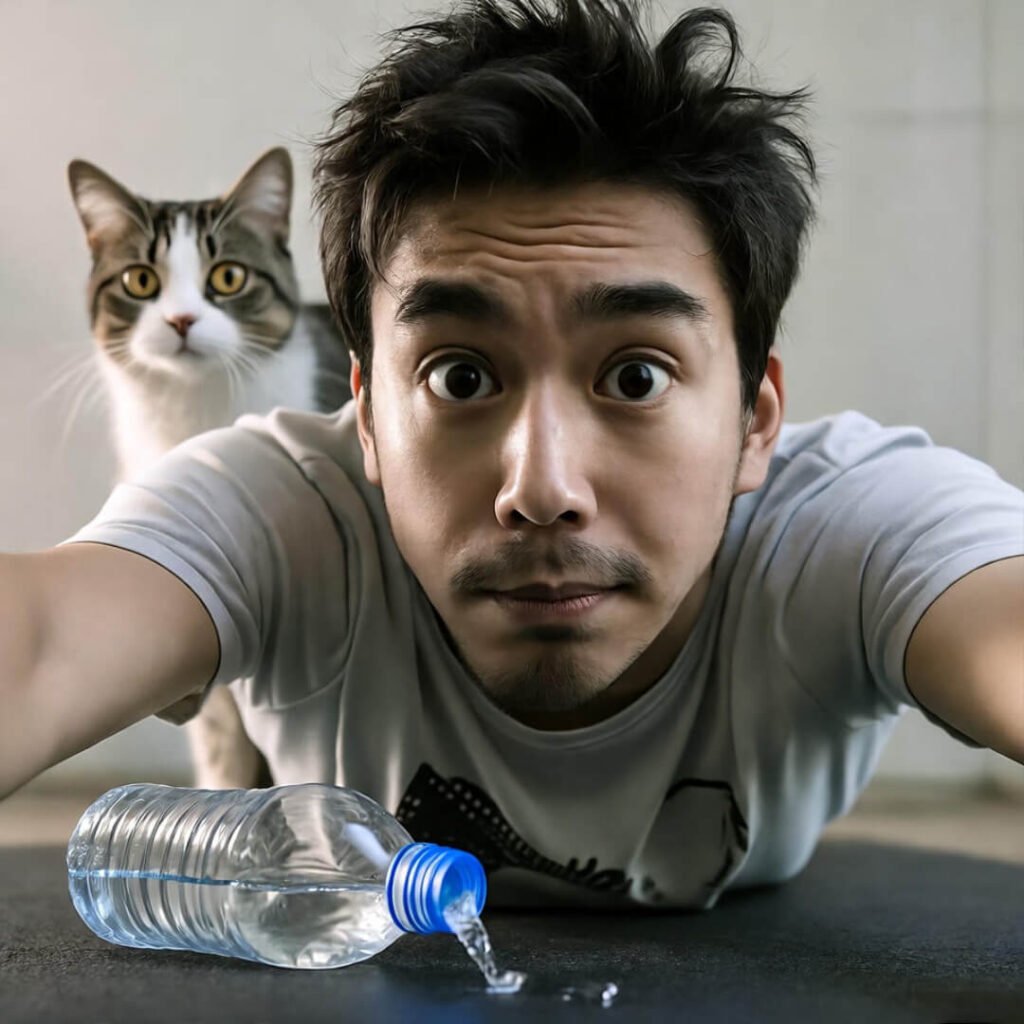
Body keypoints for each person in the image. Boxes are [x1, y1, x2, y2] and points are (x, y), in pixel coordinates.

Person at [2, 0, 1021, 909]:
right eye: (459, 376)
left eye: (635, 377)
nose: (540, 490)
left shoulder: (849, 527)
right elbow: (38, 642)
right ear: (364, 418)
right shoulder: (282, 509)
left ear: (756, 422)